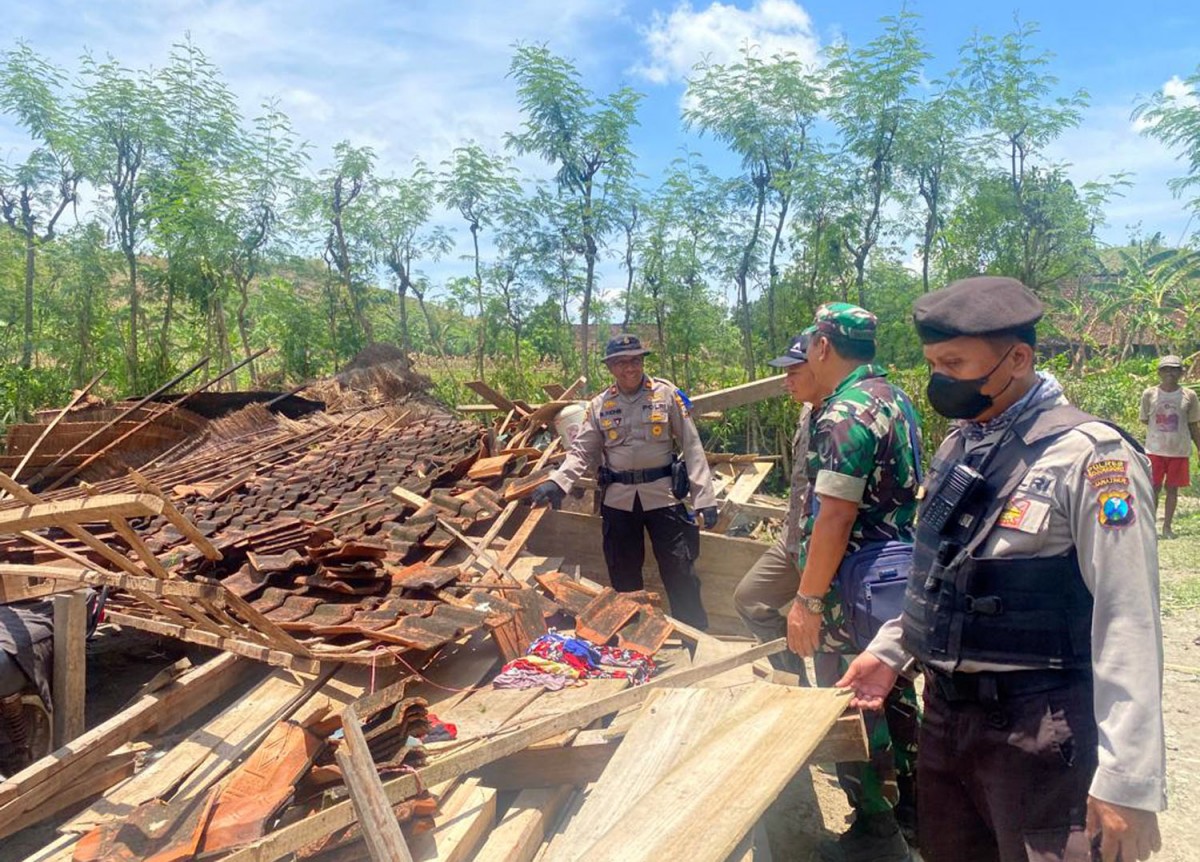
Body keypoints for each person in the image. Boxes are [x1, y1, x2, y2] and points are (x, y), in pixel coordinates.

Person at [838, 276, 1166, 862]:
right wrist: (892, 651)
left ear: (1018, 358)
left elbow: (1128, 619)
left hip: (1040, 731)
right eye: (935, 362)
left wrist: (1127, 780)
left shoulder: (1090, 456)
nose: (941, 378)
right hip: (948, 722)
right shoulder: (960, 447)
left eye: (955, 362)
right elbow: (937, 573)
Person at [783, 304, 921, 862]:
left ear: (822, 346)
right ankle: (914, 808)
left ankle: (874, 828)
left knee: (848, 697)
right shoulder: (893, 396)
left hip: (850, 585)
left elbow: (834, 517)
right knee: (895, 689)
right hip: (894, 574)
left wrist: (808, 600)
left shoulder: (843, 414)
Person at [530, 334, 717, 629]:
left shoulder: (666, 396)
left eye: (635, 360)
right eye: (621, 362)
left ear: (642, 361)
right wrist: (558, 482)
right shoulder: (600, 405)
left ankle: (696, 639)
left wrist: (705, 499)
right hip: (619, 502)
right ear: (611, 367)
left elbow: (692, 447)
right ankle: (633, 638)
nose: (629, 368)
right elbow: (582, 451)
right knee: (624, 575)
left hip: (664, 497)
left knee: (680, 570)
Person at [734, 333, 820, 684]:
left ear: (820, 367)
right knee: (750, 598)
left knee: (832, 635)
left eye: (794, 373)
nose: (787, 381)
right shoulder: (807, 411)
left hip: (826, 544)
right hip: (793, 538)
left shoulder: (845, 414)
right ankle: (793, 679)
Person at [1139, 354, 1200, 538]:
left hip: (1179, 451)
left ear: (1181, 373)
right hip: (1155, 451)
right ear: (1159, 372)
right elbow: (1144, 419)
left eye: (1174, 370)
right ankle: (1150, 527)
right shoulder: (1149, 394)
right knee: (1153, 488)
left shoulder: (1189, 396)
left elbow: (1193, 424)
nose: (1170, 373)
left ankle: (1167, 527)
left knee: (1172, 489)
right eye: (1166, 369)